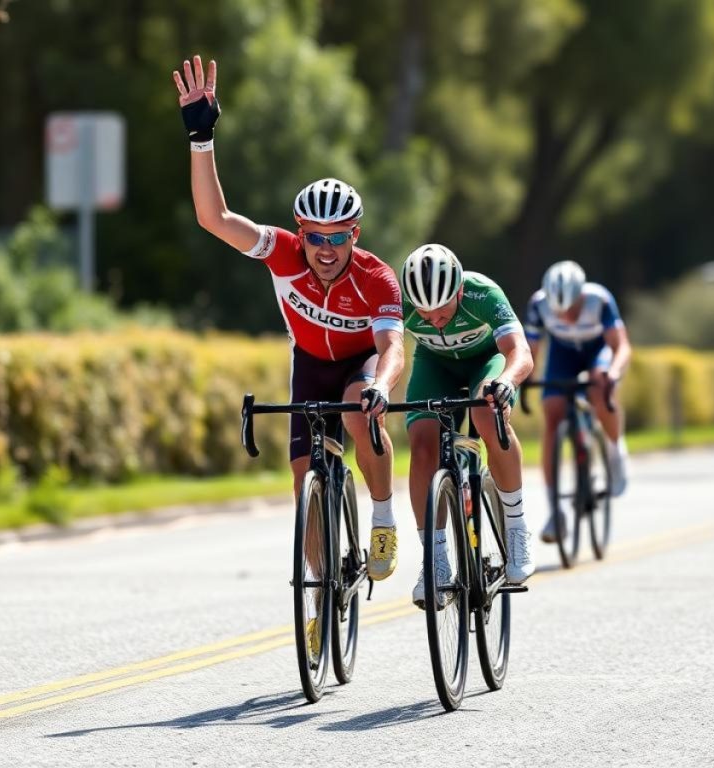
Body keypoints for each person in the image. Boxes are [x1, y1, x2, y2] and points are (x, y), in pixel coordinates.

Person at [173, 56, 405, 582]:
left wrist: (384, 387)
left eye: (337, 237)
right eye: (315, 237)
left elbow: (392, 345)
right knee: (305, 492)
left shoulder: (376, 279)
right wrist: (201, 140)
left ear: (355, 235)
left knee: (355, 407)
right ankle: (323, 592)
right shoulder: (282, 253)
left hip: (359, 369)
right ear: (301, 234)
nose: (325, 249)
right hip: (308, 366)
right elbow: (215, 220)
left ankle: (384, 518)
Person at [400, 244, 535, 607]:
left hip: (487, 362)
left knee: (485, 414)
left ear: (459, 290)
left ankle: (517, 526)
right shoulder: (401, 302)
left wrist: (506, 380)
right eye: (424, 314)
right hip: (435, 366)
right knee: (423, 445)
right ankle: (436, 560)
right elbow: (385, 349)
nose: (435, 319)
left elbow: (519, 351)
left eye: (442, 309)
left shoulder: (483, 293)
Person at [523, 261, 632, 543]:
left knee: (599, 385)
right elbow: (531, 350)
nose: (568, 316)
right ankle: (555, 511)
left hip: (597, 349)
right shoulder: (538, 304)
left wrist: (614, 372)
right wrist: (526, 380)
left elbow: (621, 346)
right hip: (563, 354)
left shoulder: (599, 299)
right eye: (561, 312)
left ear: (581, 296)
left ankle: (614, 449)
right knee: (552, 414)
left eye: (572, 309)